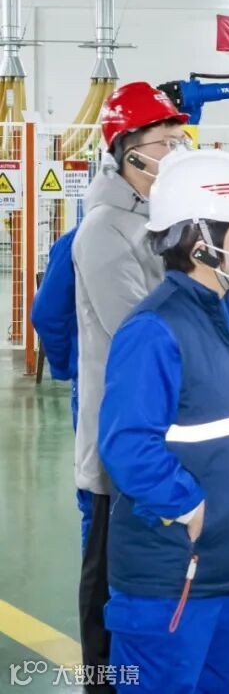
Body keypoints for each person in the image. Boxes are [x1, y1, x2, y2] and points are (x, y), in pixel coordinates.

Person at [97, 148, 229, 693]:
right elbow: (128, 445)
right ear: (201, 241)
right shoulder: (155, 330)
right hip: (172, 581)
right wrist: (188, 506)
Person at [71, 81, 191, 692]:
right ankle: (102, 681)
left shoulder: (160, 219)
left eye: (178, 139)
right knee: (107, 576)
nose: (175, 152)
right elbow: (136, 333)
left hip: (163, 433)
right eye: (164, 142)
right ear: (130, 152)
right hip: (121, 439)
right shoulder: (103, 230)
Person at [30, 227, 89, 550]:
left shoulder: (77, 240)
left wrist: (72, 365)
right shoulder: (173, 236)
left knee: (97, 492)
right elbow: (47, 316)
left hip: (94, 382)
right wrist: (69, 365)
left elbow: (46, 313)